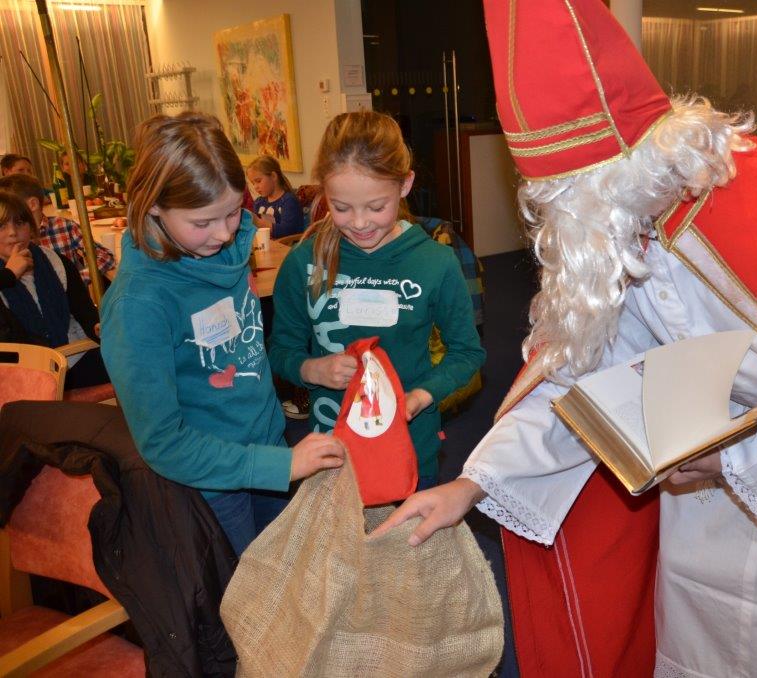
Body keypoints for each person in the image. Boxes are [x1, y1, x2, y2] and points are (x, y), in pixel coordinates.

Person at [376, 1, 757, 677]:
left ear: (620, 172)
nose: (563, 223)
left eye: (570, 196)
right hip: (693, 506)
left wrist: (731, 461)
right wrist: (469, 485)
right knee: (692, 637)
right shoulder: (619, 226)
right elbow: (578, 379)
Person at [99, 112, 346, 556]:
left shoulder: (225, 247)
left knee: (287, 574)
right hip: (210, 486)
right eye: (203, 222)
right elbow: (163, 441)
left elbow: (243, 352)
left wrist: (276, 455)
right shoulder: (138, 304)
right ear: (153, 205)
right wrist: (277, 464)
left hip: (268, 449)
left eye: (234, 212)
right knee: (242, 590)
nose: (225, 233)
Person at [269, 111, 485, 491]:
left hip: (408, 448)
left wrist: (422, 395)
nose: (359, 223)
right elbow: (280, 349)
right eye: (341, 207)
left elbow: (467, 353)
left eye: (376, 207)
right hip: (333, 452)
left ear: (405, 185)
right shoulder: (304, 262)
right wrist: (311, 370)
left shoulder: (435, 262)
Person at [0, 190, 107, 388]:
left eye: (20, 223)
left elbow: (85, 312)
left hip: (73, 356)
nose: (13, 232)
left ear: (31, 228)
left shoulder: (56, 262)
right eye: (2, 226)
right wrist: (9, 275)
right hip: (23, 374)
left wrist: (98, 326)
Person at [0, 173, 116, 287]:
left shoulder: (63, 226)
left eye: (13, 205)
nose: (12, 232)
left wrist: (73, 280)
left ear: (33, 204)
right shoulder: (7, 244)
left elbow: (105, 256)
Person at [247, 155, 304, 239]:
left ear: (273, 176)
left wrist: (258, 222)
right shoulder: (258, 202)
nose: (255, 187)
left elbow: (287, 231)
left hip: (287, 245)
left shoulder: (289, 201)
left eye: (258, 181)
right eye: (253, 183)